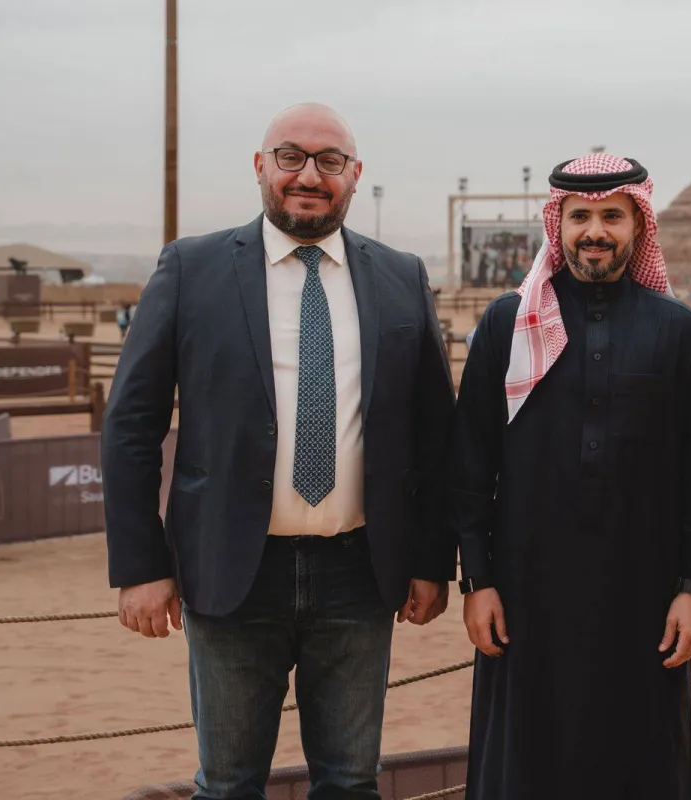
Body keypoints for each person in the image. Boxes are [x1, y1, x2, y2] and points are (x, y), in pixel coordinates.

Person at [101, 103, 455, 799]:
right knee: (228, 784)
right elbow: (131, 424)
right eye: (291, 156)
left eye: (330, 161)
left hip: (360, 575)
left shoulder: (401, 276)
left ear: (355, 174)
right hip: (231, 572)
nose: (309, 176)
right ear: (261, 166)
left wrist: (430, 560)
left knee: (350, 783)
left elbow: (435, 434)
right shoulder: (191, 268)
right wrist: (140, 566)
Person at [448, 153, 691, 799]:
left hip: (645, 598)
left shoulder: (678, 331)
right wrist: (478, 580)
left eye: (612, 216)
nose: (594, 231)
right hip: (526, 597)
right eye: (579, 216)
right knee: (527, 764)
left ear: (639, 225)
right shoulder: (507, 324)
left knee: (640, 762)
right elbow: (470, 464)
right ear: (558, 224)